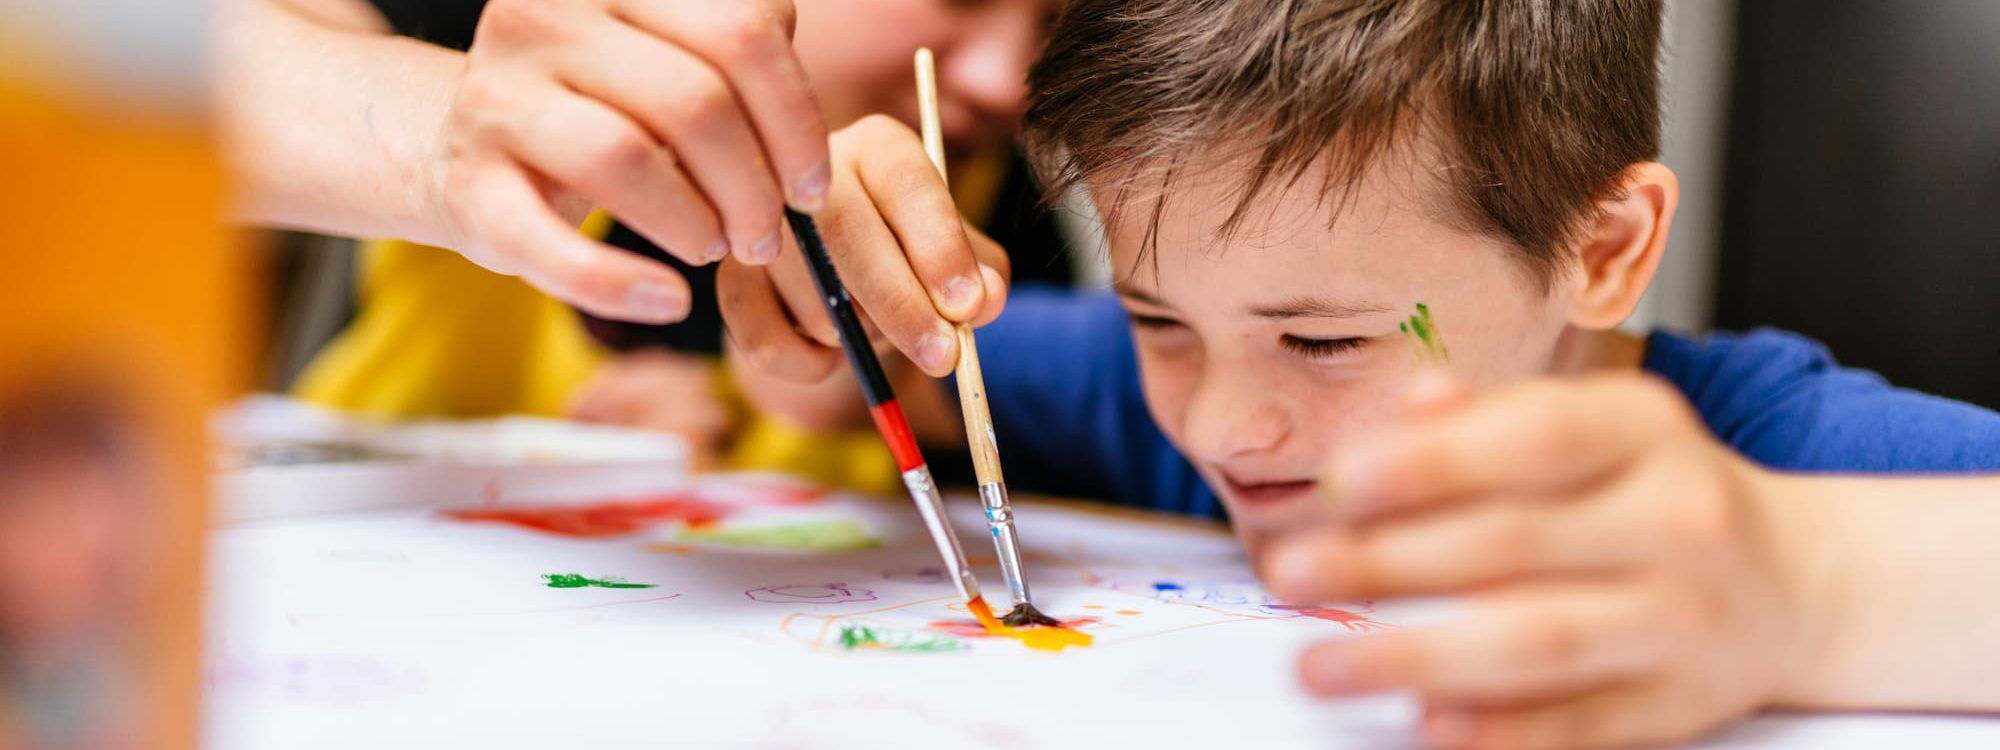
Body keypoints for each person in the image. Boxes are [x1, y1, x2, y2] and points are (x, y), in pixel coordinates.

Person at [714, 1, 2000, 748]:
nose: (1221, 423)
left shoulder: (1785, 463)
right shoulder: (1135, 393)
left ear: (1602, 251)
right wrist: (824, 288)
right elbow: (874, 382)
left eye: (1322, 340)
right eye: (1156, 318)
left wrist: (1807, 581)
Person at [220, 0, 1056, 480]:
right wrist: (450, 121)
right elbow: (206, 50)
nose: (1002, 81)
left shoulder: (991, 185)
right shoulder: (529, 17)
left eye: (1052, 19)